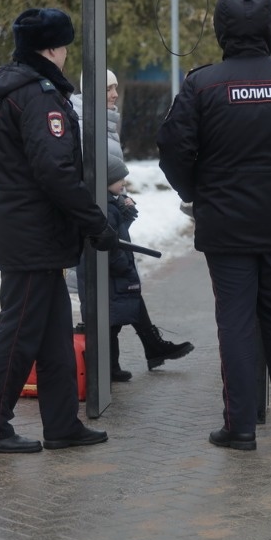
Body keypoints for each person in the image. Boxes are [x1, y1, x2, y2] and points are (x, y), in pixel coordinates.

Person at [158, 0, 271, 450]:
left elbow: (173, 151)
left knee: (235, 322)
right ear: (268, 29)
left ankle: (239, 426)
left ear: (220, 30)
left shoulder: (202, 83)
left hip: (226, 226)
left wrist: (198, 195)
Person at [0, 7, 113, 453]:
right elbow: (53, 169)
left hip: (22, 228)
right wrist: (94, 222)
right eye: (65, 46)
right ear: (51, 48)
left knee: (52, 332)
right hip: (32, 233)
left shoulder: (7, 87)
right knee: (18, 332)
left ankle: (62, 423)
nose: (67, 54)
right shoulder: (36, 95)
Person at [72, 69, 194, 379]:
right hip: (99, 219)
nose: (114, 94)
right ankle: (122, 358)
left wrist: (119, 201)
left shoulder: (105, 121)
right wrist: (110, 204)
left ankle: (146, 348)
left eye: (115, 87)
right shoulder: (87, 123)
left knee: (122, 287)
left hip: (111, 212)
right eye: (108, 89)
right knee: (115, 291)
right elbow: (89, 173)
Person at [76, 155, 194, 381]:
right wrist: (123, 264)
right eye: (119, 179)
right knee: (110, 324)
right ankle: (111, 367)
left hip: (113, 276)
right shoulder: (103, 207)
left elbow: (118, 231)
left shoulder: (110, 203)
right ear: (105, 181)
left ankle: (143, 352)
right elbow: (108, 243)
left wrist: (125, 212)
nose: (124, 183)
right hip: (110, 275)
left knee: (119, 316)